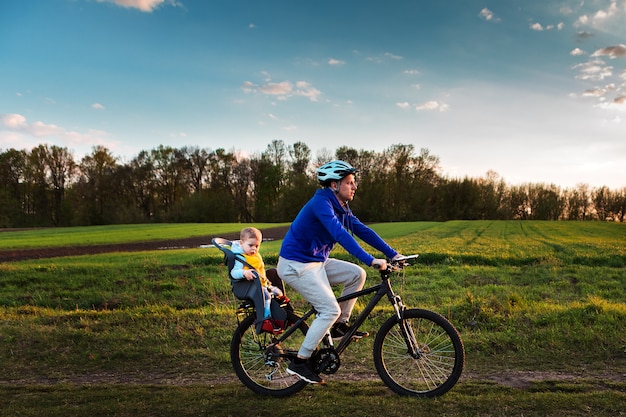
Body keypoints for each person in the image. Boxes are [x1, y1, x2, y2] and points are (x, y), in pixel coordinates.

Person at [277, 160, 402, 384]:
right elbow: (339, 234)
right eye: (350, 183)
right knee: (328, 309)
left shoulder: (341, 207)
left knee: (356, 275)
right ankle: (300, 361)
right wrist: (370, 259)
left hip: (316, 262)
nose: (354, 187)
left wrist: (393, 254)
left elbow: (362, 230)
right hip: (296, 265)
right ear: (335, 185)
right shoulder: (321, 203)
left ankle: (338, 326)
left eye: (354, 183)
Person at [231, 227, 286, 334]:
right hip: (249, 287)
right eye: (250, 245)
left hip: (262, 283)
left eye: (257, 246)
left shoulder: (255, 255)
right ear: (242, 243)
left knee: (277, 291)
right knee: (266, 295)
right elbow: (234, 272)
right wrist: (244, 273)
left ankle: (284, 313)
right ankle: (266, 318)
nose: (254, 249)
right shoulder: (241, 257)